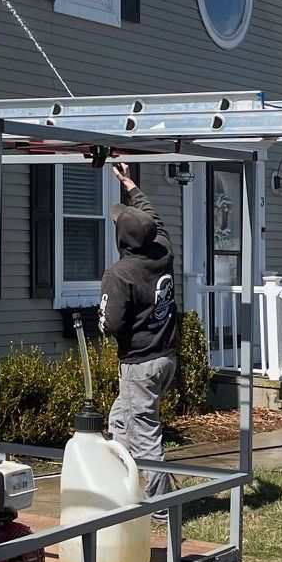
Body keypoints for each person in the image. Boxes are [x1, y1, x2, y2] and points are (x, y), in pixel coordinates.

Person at [98, 161, 178, 510]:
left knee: (144, 435)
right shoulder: (162, 250)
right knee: (119, 421)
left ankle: (162, 508)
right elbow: (152, 217)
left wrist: (100, 319)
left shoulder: (120, 274)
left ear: (121, 239)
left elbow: (111, 324)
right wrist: (129, 183)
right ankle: (121, 490)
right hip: (165, 358)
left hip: (140, 365)